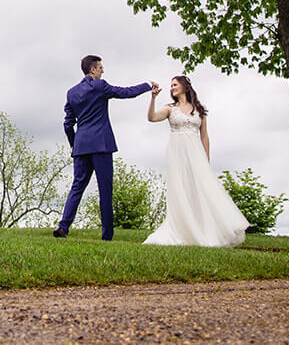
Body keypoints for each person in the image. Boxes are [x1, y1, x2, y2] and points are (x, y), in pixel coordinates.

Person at [55, 55, 158, 240]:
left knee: (77, 186)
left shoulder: (71, 92)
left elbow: (67, 124)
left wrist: (74, 144)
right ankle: (107, 235)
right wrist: (147, 85)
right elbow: (125, 92)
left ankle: (63, 226)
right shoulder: (100, 86)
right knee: (105, 190)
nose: (103, 71)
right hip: (101, 145)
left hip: (81, 147)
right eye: (101, 68)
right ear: (92, 69)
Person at [143, 74, 250, 247]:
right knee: (181, 188)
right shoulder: (170, 108)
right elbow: (152, 117)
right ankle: (182, 228)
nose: (172, 88)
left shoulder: (199, 110)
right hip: (176, 151)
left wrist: (206, 159)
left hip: (195, 153)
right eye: (171, 86)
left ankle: (205, 226)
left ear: (185, 86)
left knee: (199, 189)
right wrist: (153, 98)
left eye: (175, 84)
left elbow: (205, 136)